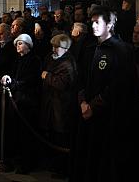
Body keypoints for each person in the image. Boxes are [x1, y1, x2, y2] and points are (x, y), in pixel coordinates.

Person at [72, 7, 136, 182]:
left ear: (109, 24)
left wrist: (94, 105)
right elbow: (81, 78)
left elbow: (119, 84)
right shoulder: (89, 48)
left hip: (107, 116)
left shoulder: (122, 50)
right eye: (92, 22)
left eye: (97, 22)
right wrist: (83, 102)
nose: (93, 26)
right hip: (87, 113)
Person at [2, 33, 41, 174]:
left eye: (20, 43)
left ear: (27, 45)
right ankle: (17, 159)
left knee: (26, 134)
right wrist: (8, 78)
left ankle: (27, 163)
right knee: (16, 132)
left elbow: (31, 79)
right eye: (17, 44)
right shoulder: (17, 59)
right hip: (16, 101)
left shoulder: (35, 60)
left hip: (27, 102)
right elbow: (13, 74)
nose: (17, 46)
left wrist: (15, 83)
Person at [39, 33, 77, 176]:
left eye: (57, 47)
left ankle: (62, 168)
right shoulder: (52, 59)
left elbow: (62, 83)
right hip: (51, 104)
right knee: (53, 136)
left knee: (61, 138)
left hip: (61, 107)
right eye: (53, 46)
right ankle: (54, 164)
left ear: (65, 49)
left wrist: (47, 76)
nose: (53, 50)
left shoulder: (67, 63)